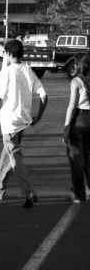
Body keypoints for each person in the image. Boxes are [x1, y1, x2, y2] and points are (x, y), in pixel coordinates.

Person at [0, 39, 48, 207]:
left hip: (10, 121)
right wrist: (38, 116)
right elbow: (44, 96)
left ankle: (29, 191)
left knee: (14, 156)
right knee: (8, 153)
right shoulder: (28, 71)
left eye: (4, 53)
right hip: (23, 120)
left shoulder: (5, 73)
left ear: (9, 54)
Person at [63, 52, 90, 203]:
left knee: (76, 159)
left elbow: (72, 106)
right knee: (88, 157)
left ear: (79, 64)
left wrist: (66, 128)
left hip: (79, 119)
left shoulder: (76, 81)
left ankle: (79, 194)